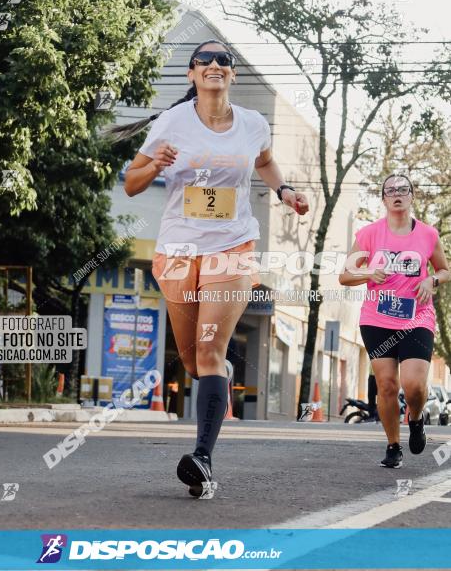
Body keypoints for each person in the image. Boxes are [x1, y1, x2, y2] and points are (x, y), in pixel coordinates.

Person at [111, 39, 309, 498]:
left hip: (233, 247)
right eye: (206, 60)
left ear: (232, 74)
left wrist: (285, 192)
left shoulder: (253, 124)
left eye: (224, 60)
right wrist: (154, 163)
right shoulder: (171, 122)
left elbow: (265, 162)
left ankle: (202, 457)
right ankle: (213, 397)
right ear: (193, 74)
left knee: (209, 351)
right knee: (192, 360)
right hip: (179, 249)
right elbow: (134, 183)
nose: (215, 65)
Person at [339, 173, 450, 468]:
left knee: (413, 385)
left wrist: (431, 281)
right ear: (384, 198)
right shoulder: (369, 235)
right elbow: (345, 275)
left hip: (417, 317)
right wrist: (367, 273)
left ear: (412, 196)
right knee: (387, 385)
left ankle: (415, 418)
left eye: (403, 189)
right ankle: (393, 445)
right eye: (391, 190)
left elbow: (444, 270)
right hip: (377, 318)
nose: (397, 194)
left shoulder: (428, 234)